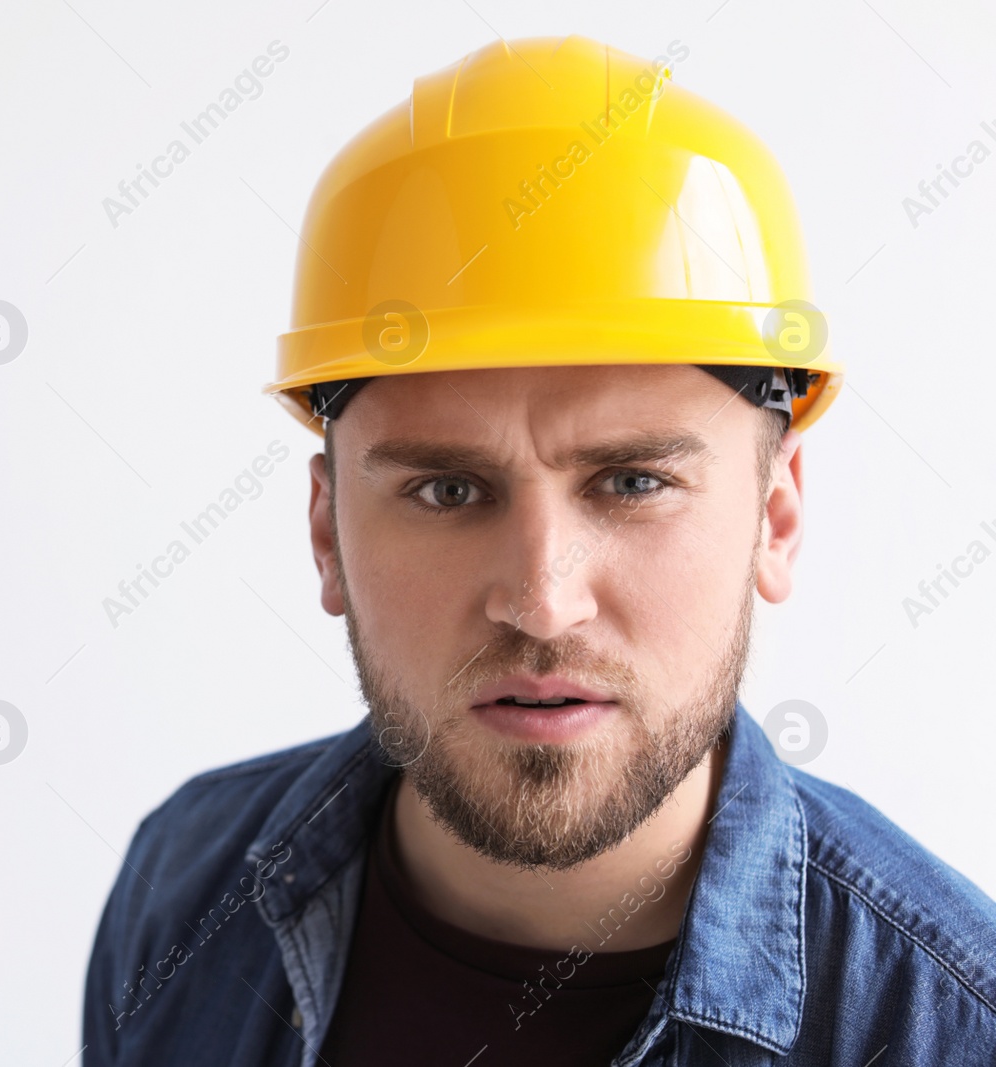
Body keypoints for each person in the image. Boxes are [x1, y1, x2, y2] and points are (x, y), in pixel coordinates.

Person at [81, 35, 996, 1066]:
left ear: (773, 519)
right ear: (324, 531)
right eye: (446, 489)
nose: (541, 600)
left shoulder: (948, 1025)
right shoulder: (185, 887)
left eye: (633, 482)